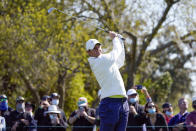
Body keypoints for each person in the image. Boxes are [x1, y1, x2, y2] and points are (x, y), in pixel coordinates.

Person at [86, 31, 129, 131]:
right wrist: (115, 39)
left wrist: (120, 42)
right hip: (110, 103)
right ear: (89, 52)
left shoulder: (107, 61)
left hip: (123, 102)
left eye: (98, 47)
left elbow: (120, 60)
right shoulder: (98, 61)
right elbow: (115, 54)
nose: (98, 50)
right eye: (94, 49)